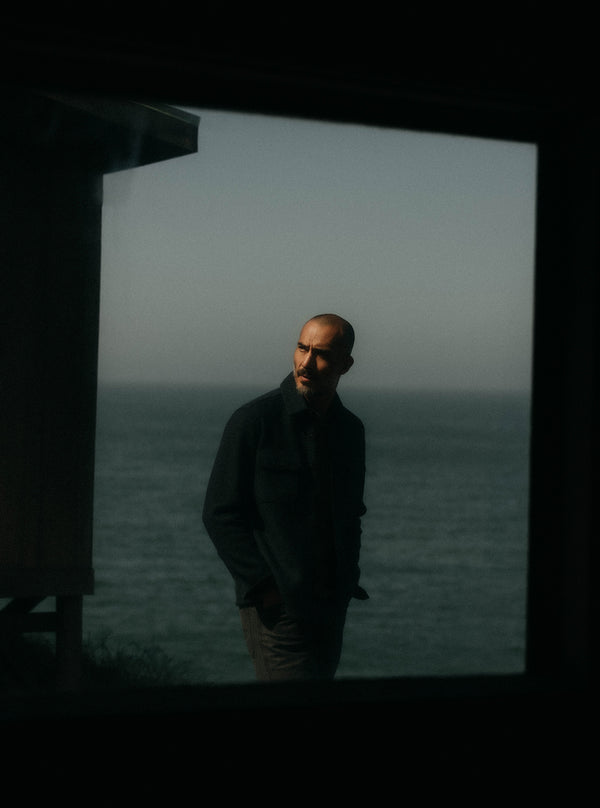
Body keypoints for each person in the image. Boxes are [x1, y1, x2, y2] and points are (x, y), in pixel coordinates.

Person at [202, 313, 367, 681]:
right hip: (278, 610)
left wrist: (345, 581)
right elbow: (219, 514)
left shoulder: (350, 431)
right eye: (301, 348)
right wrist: (265, 589)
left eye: (321, 353)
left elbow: (351, 515)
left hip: (330, 606)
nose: (306, 362)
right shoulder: (254, 421)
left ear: (346, 364)